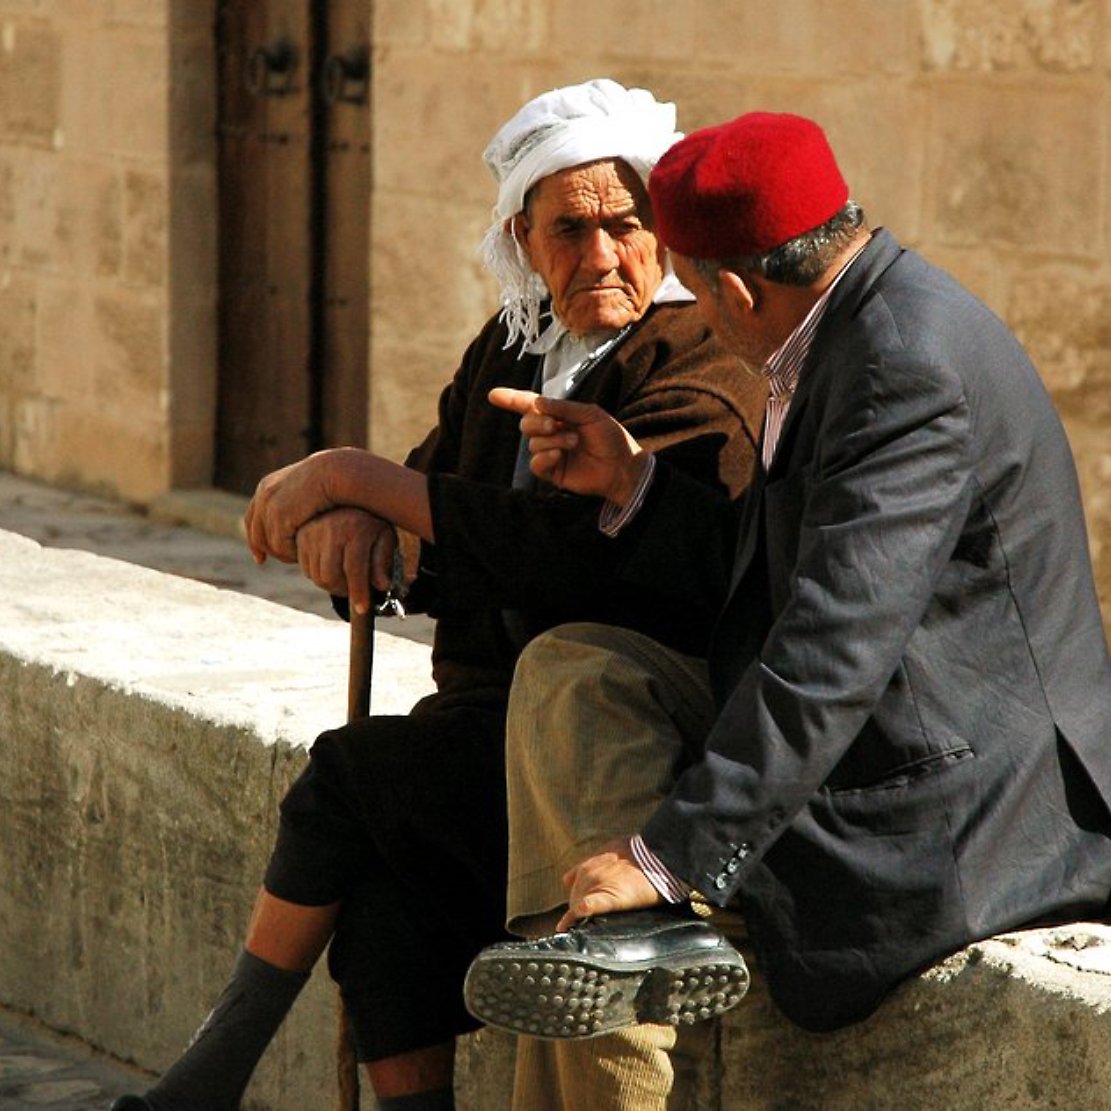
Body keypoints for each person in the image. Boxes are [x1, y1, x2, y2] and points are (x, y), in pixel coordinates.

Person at [110, 81, 767, 1111]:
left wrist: (353, 477)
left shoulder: (700, 357)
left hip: (610, 743)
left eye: (626, 226)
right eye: (570, 230)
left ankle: (210, 1072)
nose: (600, 256)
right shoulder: (512, 345)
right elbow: (440, 496)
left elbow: (575, 553)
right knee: (382, 905)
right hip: (489, 720)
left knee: (347, 776)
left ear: (661, 233)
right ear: (523, 237)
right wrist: (364, 522)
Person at [466, 109, 1111, 1108]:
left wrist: (666, 856)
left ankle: (626, 939)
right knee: (576, 669)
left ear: (731, 286)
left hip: (956, 799)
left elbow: (831, 648)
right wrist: (633, 482)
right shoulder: (840, 319)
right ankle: (618, 939)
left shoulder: (903, 363)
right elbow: (779, 567)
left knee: (597, 931)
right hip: (884, 720)